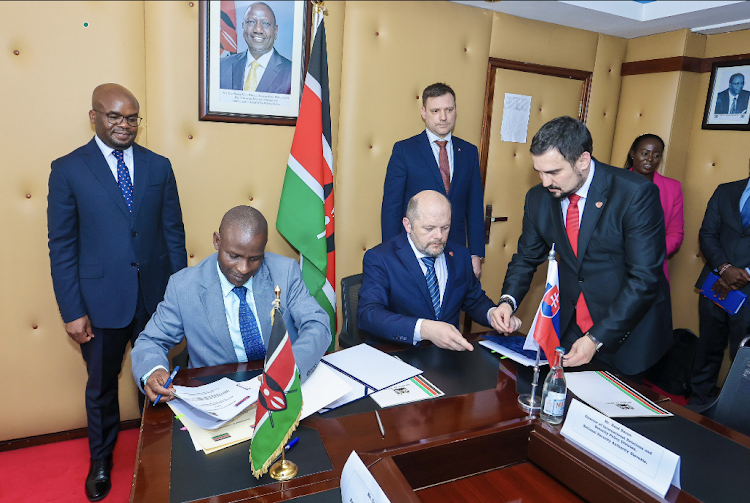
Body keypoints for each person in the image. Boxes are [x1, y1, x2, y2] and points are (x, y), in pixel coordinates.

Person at [48, 83, 186, 501]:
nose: (125, 125)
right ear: (94, 117)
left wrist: (180, 296)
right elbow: (62, 246)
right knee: (102, 387)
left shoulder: (159, 166)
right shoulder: (68, 169)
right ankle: (102, 460)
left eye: (132, 118)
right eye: (114, 117)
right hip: (100, 302)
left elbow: (173, 234)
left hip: (155, 300)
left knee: (158, 381)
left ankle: (161, 455)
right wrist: (72, 310)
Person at [492, 116, 672, 380]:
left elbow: (644, 278)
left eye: (553, 172)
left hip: (628, 328)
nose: (545, 182)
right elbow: (526, 258)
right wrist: (508, 301)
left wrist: (597, 337)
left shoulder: (635, 194)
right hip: (572, 322)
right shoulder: (538, 199)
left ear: (583, 160)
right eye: (539, 171)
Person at [131, 206, 332, 403]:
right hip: (218, 397)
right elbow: (151, 341)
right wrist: (153, 370)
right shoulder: (184, 286)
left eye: (255, 258)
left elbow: (318, 324)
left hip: (283, 393)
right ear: (217, 241)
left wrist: (287, 370)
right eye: (234, 256)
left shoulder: (285, 271)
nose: (243, 269)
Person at [360, 190, 506, 350]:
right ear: (408, 225)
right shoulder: (381, 258)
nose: (439, 236)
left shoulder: (460, 255)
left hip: (447, 357)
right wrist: (424, 329)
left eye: (445, 227)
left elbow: (474, 300)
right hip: (399, 354)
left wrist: (492, 314)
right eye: (429, 228)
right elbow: (369, 314)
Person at [381, 83, 485, 278]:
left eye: (449, 110)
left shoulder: (469, 152)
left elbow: (474, 207)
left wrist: (476, 254)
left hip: (456, 251)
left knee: (452, 306)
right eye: (435, 110)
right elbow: (391, 207)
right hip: (414, 250)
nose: (443, 117)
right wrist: (391, 255)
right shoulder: (404, 150)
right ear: (424, 112)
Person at [690, 176, 750, 406]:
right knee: (707, 347)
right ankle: (697, 404)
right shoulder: (725, 190)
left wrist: (743, 273)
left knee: (743, 359)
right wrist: (725, 268)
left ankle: (734, 414)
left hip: (747, 291)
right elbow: (707, 233)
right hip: (716, 284)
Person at [624, 134, 684, 283]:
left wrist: (650, 254)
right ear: (633, 153)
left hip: (652, 267)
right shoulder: (613, 181)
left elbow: (675, 233)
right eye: (645, 154)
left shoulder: (673, 188)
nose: (650, 159)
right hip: (614, 264)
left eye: (656, 155)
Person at [219, 2, 292, 94]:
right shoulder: (222, 66)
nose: (258, 29)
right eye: (251, 22)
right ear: (243, 27)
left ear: (275, 31)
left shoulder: (292, 72)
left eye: (265, 23)